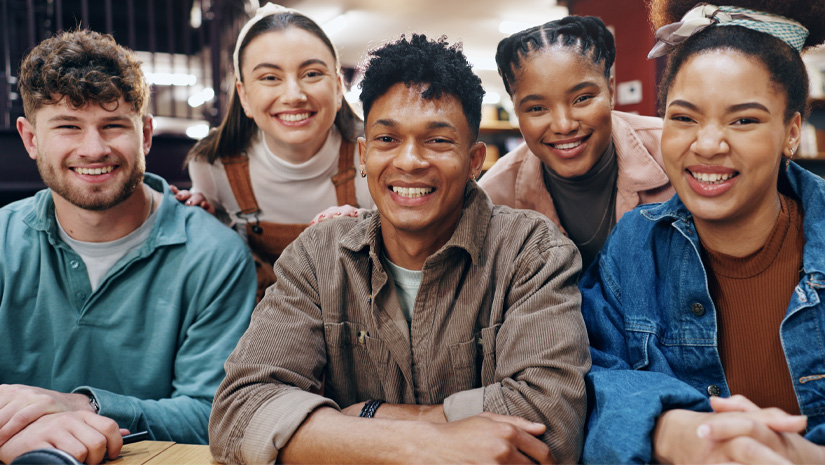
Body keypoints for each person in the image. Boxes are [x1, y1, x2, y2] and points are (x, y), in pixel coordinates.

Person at [209, 34, 590, 465]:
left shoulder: (531, 253)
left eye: (438, 141)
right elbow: (238, 415)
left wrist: (362, 419)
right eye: (388, 140)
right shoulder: (317, 258)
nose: (409, 161)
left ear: (474, 160)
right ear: (364, 154)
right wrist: (421, 444)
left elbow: (551, 425)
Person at [580, 1, 825, 463]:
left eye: (744, 120)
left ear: (792, 131)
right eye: (685, 117)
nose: (708, 144)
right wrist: (673, 428)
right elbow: (594, 378)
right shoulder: (635, 244)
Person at [0, 29, 256, 464]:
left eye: (113, 125)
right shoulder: (3, 240)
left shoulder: (216, 255)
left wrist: (83, 407)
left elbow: (216, 412)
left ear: (146, 134)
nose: (94, 149)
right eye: (67, 126)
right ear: (30, 139)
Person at [176, 3, 373, 301]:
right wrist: (202, 218)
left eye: (311, 73)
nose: (293, 95)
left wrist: (373, 224)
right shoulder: (213, 166)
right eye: (270, 77)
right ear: (243, 96)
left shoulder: (375, 156)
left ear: (336, 86)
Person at [480, 16, 675, 270]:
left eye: (582, 98)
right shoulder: (493, 200)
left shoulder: (674, 151)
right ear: (517, 113)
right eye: (537, 108)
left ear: (611, 92)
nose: (563, 125)